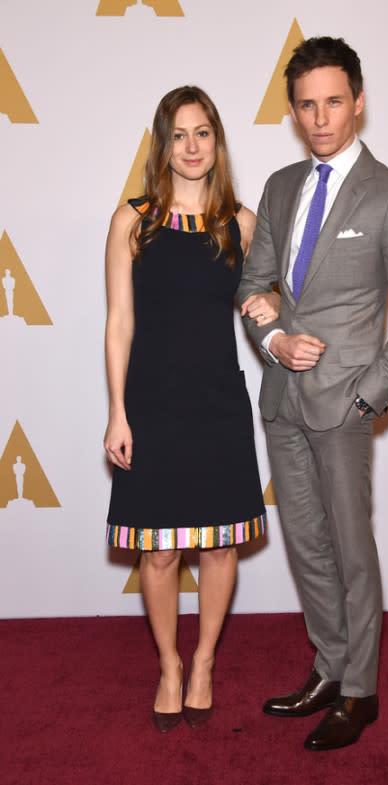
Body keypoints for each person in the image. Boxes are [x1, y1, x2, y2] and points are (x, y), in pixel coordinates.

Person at [238, 37, 388, 751]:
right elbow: (252, 286)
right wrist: (274, 342)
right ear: (293, 112)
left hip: (344, 405)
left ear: (357, 100)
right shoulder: (280, 187)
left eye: (333, 101)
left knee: (352, 550)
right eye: (306, 104)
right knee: (307, 544)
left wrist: (369, 396)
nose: (320, 117)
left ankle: (361, 690)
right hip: (283, 401)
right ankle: (328, 666)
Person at [103, 86, 277, 733]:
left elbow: (268, 311)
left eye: (203, 132)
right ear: (163, 144)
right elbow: (119, 323)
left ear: (217, 140)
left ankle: (204, 661)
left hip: (218, 404)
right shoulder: (133, 220)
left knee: (221, 546)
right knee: (157, 552)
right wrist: (117, 410)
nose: (192, 146)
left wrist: (277, 309)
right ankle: (169, 665)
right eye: (179, 134)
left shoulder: (243, 223)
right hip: (151, 403)